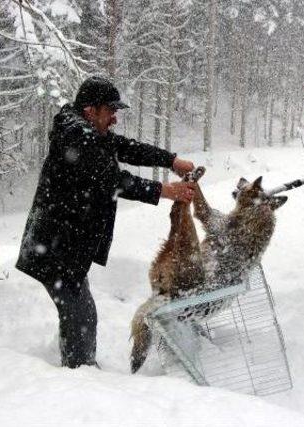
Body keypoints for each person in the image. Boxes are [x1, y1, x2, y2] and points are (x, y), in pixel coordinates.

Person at [16, 76, 196, 368]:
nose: (114, 118)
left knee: (81, 314)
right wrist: (166, 191)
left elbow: (125, 147)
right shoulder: (76, 137)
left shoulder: (86, 131)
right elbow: (113, 180)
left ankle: (80, 369)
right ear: (91, 111)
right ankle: (79, 376)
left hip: (64, 246)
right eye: (110, 110)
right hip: (54, 248)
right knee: (80, 316)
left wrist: (170, 160)